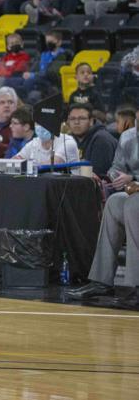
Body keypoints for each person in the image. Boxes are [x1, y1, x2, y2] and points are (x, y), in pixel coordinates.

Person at [65, 108, 139, 305]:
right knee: (115, 202)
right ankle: (101, 280)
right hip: (133, 192)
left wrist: (134, 179)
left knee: (133, 205)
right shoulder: (128, 137)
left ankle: (135, 285)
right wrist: (118, 178)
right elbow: (115, 168)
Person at [67, 103, 118, 178]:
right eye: (72, 119)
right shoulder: (70, 138)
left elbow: (99, 174)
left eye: (81, 118)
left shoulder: (102, 139)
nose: (76, 122)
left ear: (91, 121)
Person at [14, 123, 79, 166]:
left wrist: (25, 165)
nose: (41, 126)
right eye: (38, 123)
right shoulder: (33, 143)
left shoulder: (68, 142)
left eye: (45, 123)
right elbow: (14, 162)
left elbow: (53, 164)